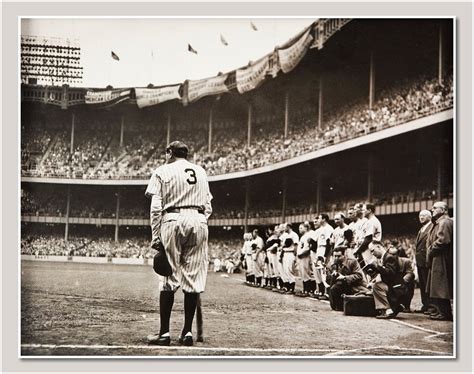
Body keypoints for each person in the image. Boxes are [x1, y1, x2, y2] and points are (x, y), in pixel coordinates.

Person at [145, 141, 213, 346]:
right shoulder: (201, 171)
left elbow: (156, 207)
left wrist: (156, 236)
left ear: (169, 152)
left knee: (168, 278)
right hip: (199, 220)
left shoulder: (162, 170)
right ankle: (187, 333)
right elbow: (208, 206)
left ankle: (164, 334)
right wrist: (198, 220)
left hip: (173, 219)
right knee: (193, 280)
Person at [367, 240, 413, 319]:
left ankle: (388, 310)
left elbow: (390, 273)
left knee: (377, 286)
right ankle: (394, 307)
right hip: (394, 285)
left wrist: (377, 267)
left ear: (378, 247)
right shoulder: (384, 257)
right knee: (375, 285)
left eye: (372, 251)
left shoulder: (389, 257)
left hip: (396, 287)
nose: (372, 253)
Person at [426, 201, 453, 321]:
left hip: (441, 257)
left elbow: (443, 240)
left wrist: (431, 249)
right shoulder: (439, 222)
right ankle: (442, 311)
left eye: (435, 208)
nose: (432, 209)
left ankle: (445, 313)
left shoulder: (445, 222)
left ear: (443, 210)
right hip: (438, 257)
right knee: (438, 285)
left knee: (441, 286)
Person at [326, 246, 369, 311]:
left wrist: (345, 277)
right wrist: (331, 274)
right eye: (335, 256)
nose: (336, 258)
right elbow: (328, 279)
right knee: (333, 287)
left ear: (344, 255)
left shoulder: (352, 262)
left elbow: (359, 275)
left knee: (335, 288)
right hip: (342, 286)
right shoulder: (334, 263)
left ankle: (343, 305)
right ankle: (338, 305)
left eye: (339, 256)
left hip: (355, 286)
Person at [414, 210, 433, 313]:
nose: (421, 217)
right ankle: (425, 305)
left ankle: (430, 306)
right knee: (422, 283)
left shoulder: (431, 228)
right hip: (420, 260)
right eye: (420, 215)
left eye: (423, 216)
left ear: (429, 217)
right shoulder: (422, 229)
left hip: (426, 260)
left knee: (427, 283)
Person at [295, 222, 314, 297]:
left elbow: (308, 248)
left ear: (306, 228)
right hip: (301, 257)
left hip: (305, 256)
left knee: (306, 273)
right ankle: (305, 289)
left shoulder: (308, 235)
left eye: (301, 228)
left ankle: (308, 290)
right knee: (303, 273)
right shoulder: (303, 236)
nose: (299, 229)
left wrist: (301, 254)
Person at [279, 223, 299, 294]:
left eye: (285, 227)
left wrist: (295, 256)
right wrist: (281, 256)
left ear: (288, 227)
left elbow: (296, 246)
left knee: (290, 270)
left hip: (291, 253)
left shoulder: (294, 235)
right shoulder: (286, 235)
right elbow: (283, 247)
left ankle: (291, 289)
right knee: (285, 271)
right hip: (285, 254)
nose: (284, 229)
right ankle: (287, 287)